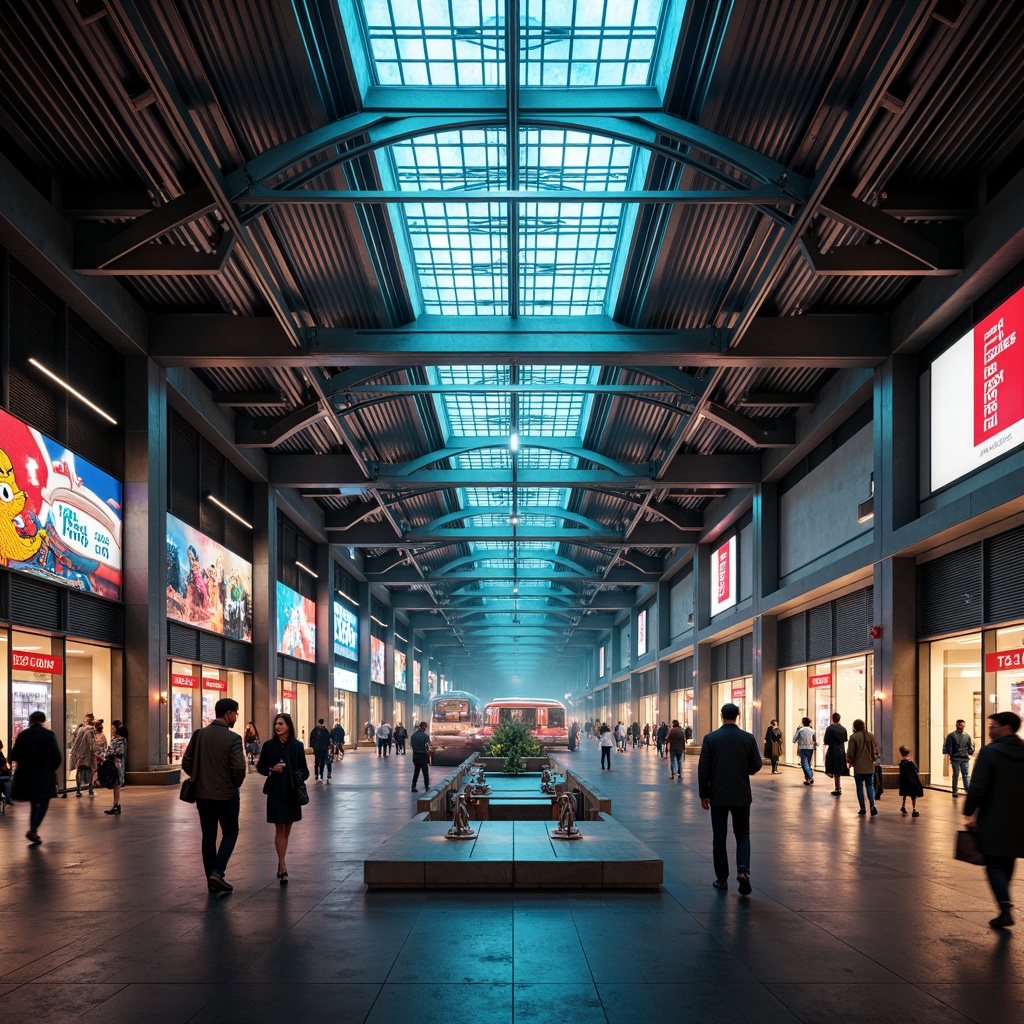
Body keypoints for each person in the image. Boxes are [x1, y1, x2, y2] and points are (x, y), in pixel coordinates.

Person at [964, 711, 1024, 928]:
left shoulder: (990, 752)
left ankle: (1005, 907)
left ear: (1006, 728)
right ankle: (1004, 903)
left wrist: (970, 810)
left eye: (993, 725)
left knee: (993, 862)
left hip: (994, 816)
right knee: (1008, 858)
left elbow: (979, 785)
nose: (989, 730)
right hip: (1019, 818)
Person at [181, 697, 246, 894]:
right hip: (226, 795)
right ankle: (217, 873)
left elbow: (186, 762)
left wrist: (200, 777)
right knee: (231, 832)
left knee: (208, 836)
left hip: (203, 795)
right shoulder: (233, 738)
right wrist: (234, 784)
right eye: (235, 713)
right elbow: (239, 769)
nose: (235, 717)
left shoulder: (199, 734)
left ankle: (211, 879)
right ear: (228, 714)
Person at [698, 703, 762, 895]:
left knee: (719, 836)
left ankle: (722, 879)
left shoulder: (711, 738)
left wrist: (704, 794)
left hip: (718, 794)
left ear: (721, 716)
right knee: (743, 834)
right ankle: (742, 870)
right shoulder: (748, 738)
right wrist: (745, 770)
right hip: (741, 794)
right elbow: (757, 764)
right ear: (738, 716)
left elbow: (704, 768)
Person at [256, 712, 310, 884]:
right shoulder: (269, 745)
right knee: (280, 827)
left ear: (288, 726)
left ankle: (282, 860)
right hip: (276, 791)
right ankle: (282, 865)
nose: (277, 727)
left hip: (292, 791)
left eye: (281, 724)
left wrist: (298, 773)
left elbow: (305, 769)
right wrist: (272, 768)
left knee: (287, 828)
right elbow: (261, 767)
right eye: (275, 724)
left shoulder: (296, 746)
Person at [10, 710, 63, 845]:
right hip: (44, 776)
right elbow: (56, 756)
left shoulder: (23, 735)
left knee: (34, 802)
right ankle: (33, 829)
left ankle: (33, 829)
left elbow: (13, 756)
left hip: (26, 777)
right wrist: (50, 769)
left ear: (30, 720)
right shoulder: (48, 735)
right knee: (43, 802)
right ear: (43, 720)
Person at [846, 719, 879, 816]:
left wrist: (849, 761)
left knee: (859, 787)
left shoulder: (853, 737)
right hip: (869, 765)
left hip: (858, 766)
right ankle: (872, 806)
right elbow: (875, 751)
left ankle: (862, 808)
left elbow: (850, 752)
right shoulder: (871, 736)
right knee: (870, 786)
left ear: (854, 727)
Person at [943, 719, 976, 797]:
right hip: (955, 758)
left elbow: (969, 746)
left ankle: (967, 789)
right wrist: (949, 756)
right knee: (956, 774)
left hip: (964, 758)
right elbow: (948, 746)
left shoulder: (967, 735)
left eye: (961, 725)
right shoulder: (951, 735)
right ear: (956, 725)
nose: (959, 726)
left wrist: (971, 751)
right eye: (958, 725)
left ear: (964, 725)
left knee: (965, 774)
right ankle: (955, 791)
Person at [68, 713, 97, 797]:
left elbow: (78, 741)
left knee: (82, 770)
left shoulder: (83, 730)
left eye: (87, 720)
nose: (86, 722)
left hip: (83, 753)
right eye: (85, 720)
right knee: (86, 770)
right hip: (85, 754)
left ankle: (81, 790)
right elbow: (92, 743)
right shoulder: (90, 730)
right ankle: (88, 790)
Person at [102, 722, 127, 815]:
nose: (112, 731)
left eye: (113, 729)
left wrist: (108, 754)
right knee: (115, 786)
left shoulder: (120, 741)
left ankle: (116, 805)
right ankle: (115, 804)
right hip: (114, 764)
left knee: (116, 785)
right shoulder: (115, 740)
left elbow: (117, 753)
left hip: (116, 765)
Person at [822, 713, 849, 796]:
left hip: (833, 750)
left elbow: (826, 740)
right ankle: (838, 787)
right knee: (838, 769)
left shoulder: (829, 729)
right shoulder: (843, 729)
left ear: (832, 719)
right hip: (841, 750)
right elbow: (845, 739)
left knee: (831, 767)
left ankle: (837, 787)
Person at [898, 745, 923, 817]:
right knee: (913, 796)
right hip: (912, 783)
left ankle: (903, 806)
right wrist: (910, 760)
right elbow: (916, 769)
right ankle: (914, 809)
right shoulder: (910, 764)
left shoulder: (902, 764)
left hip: (904, 783)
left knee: (905, 795)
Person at [793, 717, 816, 784]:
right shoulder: (813, 731)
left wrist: (797, 730)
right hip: (810, 748)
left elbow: (794, 739)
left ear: (803, 723)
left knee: (804, 764)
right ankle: (808, 779)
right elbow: (816, 741)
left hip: (802, 748)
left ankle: (810, 777)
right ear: (809, 723)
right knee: (808, 764)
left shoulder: (800, 730)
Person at [409, 721, 431, 792]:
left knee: (416, 771)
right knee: (425, 772)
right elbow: (427, 747)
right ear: (424, 727)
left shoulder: (413, 736)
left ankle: (413, 786)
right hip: (423, 756)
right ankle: (427, 787)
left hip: (415, 756)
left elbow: (411, 745)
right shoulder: (425, 736)